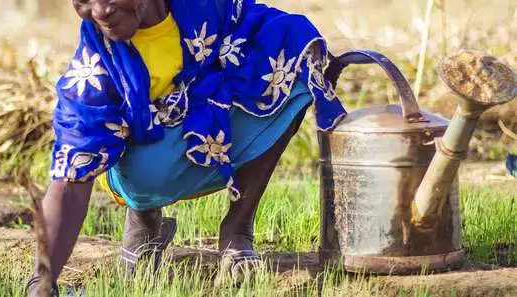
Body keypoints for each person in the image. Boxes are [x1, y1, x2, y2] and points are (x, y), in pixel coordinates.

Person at [25, 0, 347, 295]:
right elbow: (69, 180)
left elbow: (255, 24)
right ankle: (143, 221)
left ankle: (237, 229)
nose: (98, 12)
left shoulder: (203, 5)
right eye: (83, 1)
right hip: (146, 166)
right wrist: (43, 277)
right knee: (145, 172)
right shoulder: (95, 67)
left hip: (207, 116)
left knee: (295, 56)